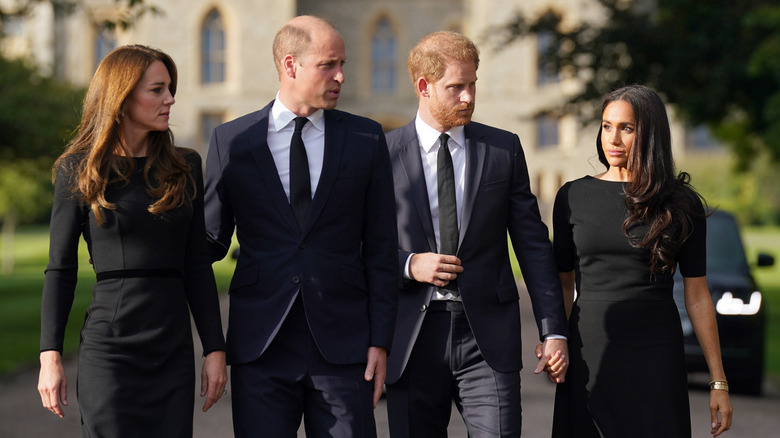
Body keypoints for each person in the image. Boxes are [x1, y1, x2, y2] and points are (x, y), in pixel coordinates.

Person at [203, 15, 398, 437]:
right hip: (261, 345)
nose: (341, 76)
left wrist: (380, 340)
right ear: (290, 65)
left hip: (344, 348)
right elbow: (208, 243)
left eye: (341, 63)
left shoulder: (366, 139)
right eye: (328, 65)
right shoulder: (232, 141)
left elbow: (382, 249)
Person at [384, 31, 570, 437]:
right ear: (423, 86)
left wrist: (553, 329)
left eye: (472, 85)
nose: (468, 97)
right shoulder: (382, 154)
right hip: (412, 338)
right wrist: (410, 264)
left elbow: (534, 246)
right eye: (456, 87)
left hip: (486, 339)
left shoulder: (503, 149)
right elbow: (360, 245)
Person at [37, 45, 228, 437]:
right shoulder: (78, 169)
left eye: (170, 88)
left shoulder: (186, 165)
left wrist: (214, 349)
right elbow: (60, 268)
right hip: (110, 349)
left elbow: (196, 265)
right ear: (122, 99)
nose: (170, 99)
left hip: (172, 349)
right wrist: (49, 355)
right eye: (157, 89)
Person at [550, 85, 732, 437]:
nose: (612, 138)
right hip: (589, 353)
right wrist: (555, 339)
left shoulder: (681, 202)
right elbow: (563, 283)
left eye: (626, 128)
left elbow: (697, 295)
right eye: (606, 126)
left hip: (656, 356)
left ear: (650, 134)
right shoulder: (572, 196)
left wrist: (718, 382)